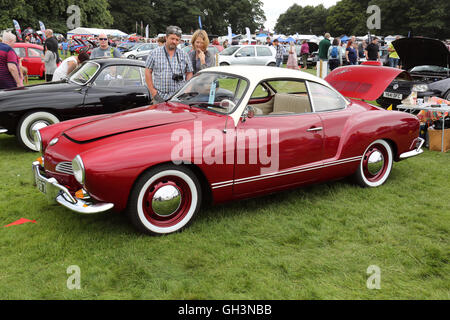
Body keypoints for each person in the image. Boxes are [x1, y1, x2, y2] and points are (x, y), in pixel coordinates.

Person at [145, 25, 193, 104]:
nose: (174, 41)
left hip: (178, 99)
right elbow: (147, 72)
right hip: (159, 96)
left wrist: (186, 91)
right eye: (172, 38)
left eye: (177, 40)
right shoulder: (154, 53)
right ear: (166, 38)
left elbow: (189, 73)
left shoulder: (184, 55)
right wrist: (153, 92)